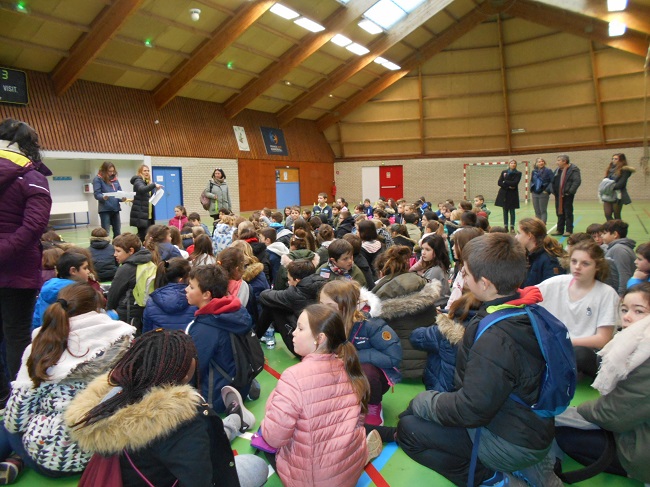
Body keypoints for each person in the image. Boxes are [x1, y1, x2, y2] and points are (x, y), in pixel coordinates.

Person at [397, 233, 556, 487]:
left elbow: (471, 410)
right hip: (530, 425)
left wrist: (424, 401)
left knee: (409, 430)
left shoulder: (495, 337)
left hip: (510, 439)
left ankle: (497, 480)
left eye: (467, 273)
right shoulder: (525, 309)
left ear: (484, 283)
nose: (463, 277)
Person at [65, 329, 268, 487]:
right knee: (255, 465)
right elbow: (200, 479)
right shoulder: (184, 421)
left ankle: (234, 420)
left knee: (211, 435)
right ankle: (235, 419)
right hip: (177, 468)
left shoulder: (112, 398)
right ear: (185, 373)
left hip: (140, 473)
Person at [0, 283, 135, 482]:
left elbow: (16, 419)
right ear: (97, 306)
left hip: (49, 458)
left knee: (7, 421)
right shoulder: (126, 340)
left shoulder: (41, 347)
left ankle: (17, 459)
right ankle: (17, 460)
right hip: (106, 451)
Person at [262, 304, 373, 487]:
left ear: (320, 338)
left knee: (264, 441)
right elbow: (359, 419)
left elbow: (274, 438)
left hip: (314, 481)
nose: (293, 333)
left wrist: (272, 402)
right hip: (349, 472)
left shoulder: (294, 377)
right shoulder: (348, 366)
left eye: (300, 328)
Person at [555, 283, 650, 485]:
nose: (627, 317)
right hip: (636, 426)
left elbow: (612, 415)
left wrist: (574, 412)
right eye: (625, 310)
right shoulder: (634, 345)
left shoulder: (645, 359)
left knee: (561, 432)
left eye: (638, 311)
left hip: (642, 448)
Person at [0, 119, 53, 406]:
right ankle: (21, 399)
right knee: (17, 334)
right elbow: (34, 225)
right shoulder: (32, 177)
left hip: (13, 265)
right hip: (17, 269)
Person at [319, 280, 402, 426]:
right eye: (321, 304)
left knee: (366, 370)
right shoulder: (326, 323)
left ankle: (373, 405)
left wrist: (356, 355)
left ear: (347, 305)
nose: (323, 310)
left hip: (372, 379)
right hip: (343, 375)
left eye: (330, 306)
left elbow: (393, 357)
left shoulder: (372, 325)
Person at [536, 240, 619, 378]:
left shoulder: (606, 293)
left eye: (585, 263)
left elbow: (602, 339)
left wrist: (565, 341)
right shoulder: (556, 283)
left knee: (580, 354)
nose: (577, 267)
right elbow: (527, 296)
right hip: (556, 347)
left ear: (597, 266)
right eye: (574, 261)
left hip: (586, 352)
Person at [185, 265, 254, 412]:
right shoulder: (235, 311)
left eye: (191, 287)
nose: (186, 289)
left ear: (206, 295)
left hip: (215, 398)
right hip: (239, 385)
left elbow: (194, 370)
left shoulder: (205, 328)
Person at [257, 260, 326, 356]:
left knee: (273, 306)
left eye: (289, 280)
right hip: (323, 343)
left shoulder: (296, 294)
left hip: (304, 348)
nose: (288, 283)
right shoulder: (324, 284)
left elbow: (263, 295)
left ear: (297, 280)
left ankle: (255, 338)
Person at [31, 251, 92, 330]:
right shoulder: (78, 292)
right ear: (73, 271)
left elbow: (36, 318)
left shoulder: (47, 287)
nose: (88, 271)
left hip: (44, 333)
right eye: (85, 268)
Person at [107, 232, 154, 331]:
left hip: (128, 313)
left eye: (118, 251)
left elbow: (114, 293)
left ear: (131, 251)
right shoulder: (149, 262)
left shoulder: (126, 269)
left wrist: (109, 309)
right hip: (144, 310)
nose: (115, 254)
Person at [142, 258, 198, 333]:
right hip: (187, 339)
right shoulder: (195, 299)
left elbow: (146, 333)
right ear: (181, 280)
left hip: (160, 339)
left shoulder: (151, 302)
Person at [515, 218, 565, 287]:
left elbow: (552, 288)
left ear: (529, 235)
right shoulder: (529, 255)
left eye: (519, 233)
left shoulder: (549, 261)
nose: (516, 237)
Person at [409, 234, 451, 307]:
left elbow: (425, 296)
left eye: (427, 249)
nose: (423, 252)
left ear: (437, 251)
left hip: (436, 307)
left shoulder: (435, 270)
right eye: (422, 249)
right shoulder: (436, 266)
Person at [602, 219, 636, 295]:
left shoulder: (619, 249)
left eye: (604, 233)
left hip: (617, 293)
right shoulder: (614, 247)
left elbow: (624, 274)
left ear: (615, 234)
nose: (602, 236)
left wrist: (622, 295)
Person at [551, 154, 581, 237]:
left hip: (567, 195)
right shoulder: (557, 170)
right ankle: (559, 230)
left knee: (568, 212)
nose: (557, 162)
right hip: (558, 195)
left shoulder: (573, 169)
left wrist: (570, 192)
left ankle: (569, 230)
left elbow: (576, 181)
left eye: (558, 160)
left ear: (564, 161)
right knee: (559, 212)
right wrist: (553, 190)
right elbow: (553, 180)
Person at [92, 161, 125, 238]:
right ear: (104, 170)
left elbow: (119, 192)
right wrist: (102, 197)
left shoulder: (115, 179)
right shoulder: (97, 179)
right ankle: (105, 245)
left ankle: (117, 245)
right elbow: (97, 194)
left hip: (115, 209)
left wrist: (122, 198)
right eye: (109, 171)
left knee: (118, 232)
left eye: (113, 171)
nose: (112, 173)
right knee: (105, 232)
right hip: (105, 210)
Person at [129, 165, 162, 242]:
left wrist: (157, 191)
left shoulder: (147, 182)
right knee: (143, 235)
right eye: (144, 171)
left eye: (148, 171)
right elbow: (142, 189)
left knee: (150, 234)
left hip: (148, 213)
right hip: (141, 213)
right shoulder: (138, 181)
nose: (147, 172)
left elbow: (148, 196)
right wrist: (154, 185)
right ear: (140, 172)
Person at [601, 153, 635, 221]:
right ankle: (612, 227)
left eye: (616, 159)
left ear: (621, 160)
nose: (613, 160)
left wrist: (609, 187)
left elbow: (621, 184)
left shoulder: (625, 170)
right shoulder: (610, 169)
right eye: (613, 159)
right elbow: (605, 180)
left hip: (618, 195)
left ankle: (619, 227)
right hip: (608, 194)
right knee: (607, 214)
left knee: (617, 215)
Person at [494, 159, 522, 233]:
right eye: (511, 163)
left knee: (512, 211)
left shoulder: (518, 173)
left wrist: (505, 181)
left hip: (513, 194)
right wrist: (508, 186)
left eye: (514, 163)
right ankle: (505, 226)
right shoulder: (504, 172)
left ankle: (512, 226)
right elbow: (499, 182)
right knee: (505, 210)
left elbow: (515, 183)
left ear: (516, 165)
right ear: (509, 164)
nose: (513, 164)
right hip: (504, 193)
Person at [530, 158, 554, 224]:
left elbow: (552, 181)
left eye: (542, 161)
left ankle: (543, 225)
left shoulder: (548, 171)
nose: (541, 163)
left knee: (543, 210)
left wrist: (547, 190)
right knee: (537, 211)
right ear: (536, 163)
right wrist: (532, 190)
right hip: (535, 193)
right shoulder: (534, 171)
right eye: (539, 162)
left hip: (543, 193)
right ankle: (538, 226)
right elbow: (532, 181)